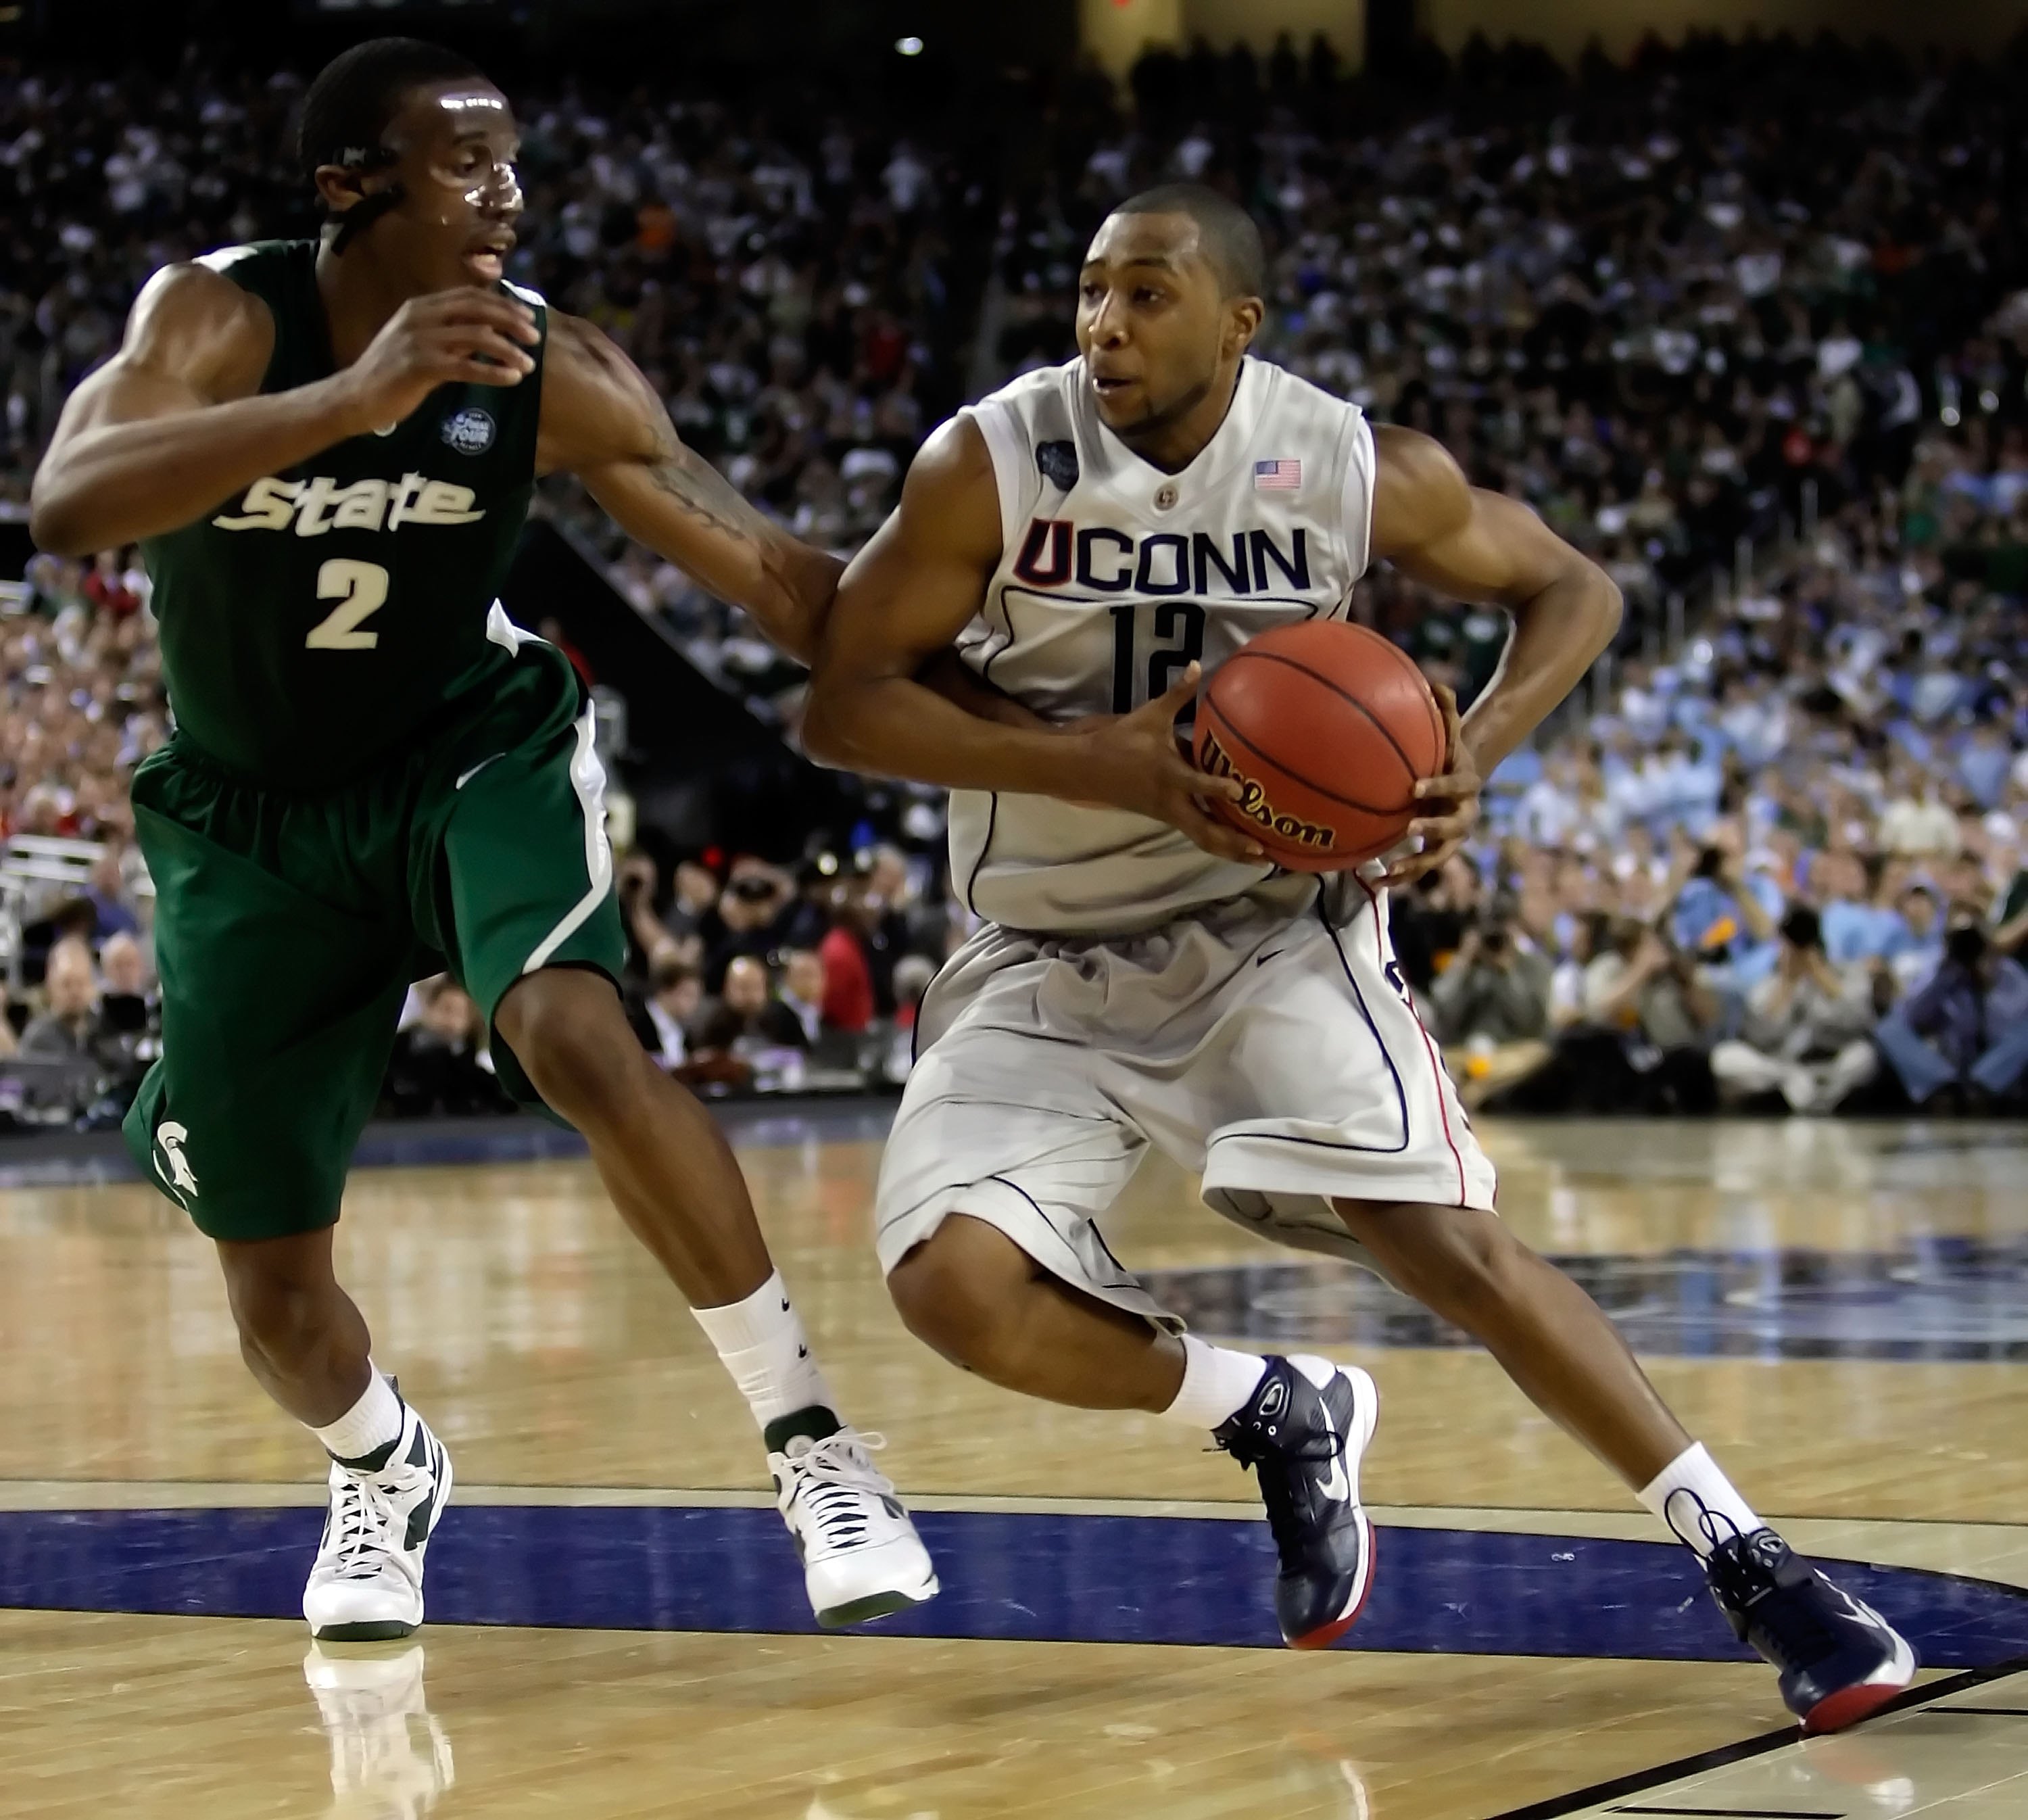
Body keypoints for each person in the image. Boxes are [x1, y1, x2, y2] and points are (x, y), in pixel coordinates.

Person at [803, 181, 1912, 1731]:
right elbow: (841, 703)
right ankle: (1273, 1406)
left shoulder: (1347, 466)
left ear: (1238, 324)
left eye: (1144, 294)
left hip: (1274, 927)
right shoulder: (987, 461)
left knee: (1437, 1235)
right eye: (1087, 292)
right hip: (1043, 937)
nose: (1102, 323)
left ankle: (1754, 1563)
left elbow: (1571, 589)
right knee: (952, 1291)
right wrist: (1108, 766)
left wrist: (1471, 748)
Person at [28, 37, 960, 1644]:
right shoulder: (218, 316)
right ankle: (379, 1462)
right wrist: (352, 398)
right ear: (349, 187)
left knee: (571, 1032)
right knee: (272, 1282)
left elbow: (782, 583)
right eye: (467, 163)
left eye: (513, 162)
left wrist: (1042, 690)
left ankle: (816, 1449)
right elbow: (69, 500)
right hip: (250, 818)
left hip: (467, 750)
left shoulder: (551, 372)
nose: (508, 197)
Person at [1709, 907, 1879, 1114]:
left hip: (1829, 1064)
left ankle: (1822, 1099)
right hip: (1782, 1068)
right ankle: (1796, 1085)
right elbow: (1757, 1036)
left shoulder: (1847, 973)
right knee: (1724, 1057)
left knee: (1864, 1055)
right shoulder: (1770, 982)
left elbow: (1859, 1020)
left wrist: (1819, 975)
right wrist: (1787, 983)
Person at [1875, 912, 2028, 1109]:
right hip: (1951, 1066)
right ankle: (1942, 1089)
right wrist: (1944, 975)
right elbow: (1911, 1016)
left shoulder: (2009, 974)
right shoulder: (1941, 972)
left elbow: (2009, 1032)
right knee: (1888, 1028)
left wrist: (1987, 985)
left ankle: (1980, 1089)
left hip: (1997, 1070)